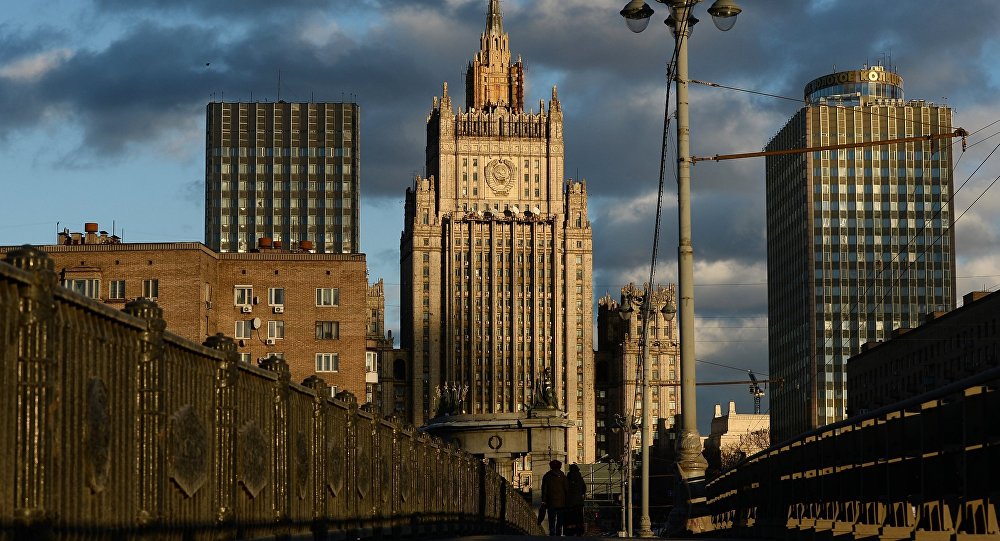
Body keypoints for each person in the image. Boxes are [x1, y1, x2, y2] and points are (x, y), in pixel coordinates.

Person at [541, 459, 568, 536]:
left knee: (551, 519)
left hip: (550, 502)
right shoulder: (563, 476)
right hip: (561, 503)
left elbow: (544, 490)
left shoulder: (547, 476)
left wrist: (544, 500)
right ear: (560, 466)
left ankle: (552, 531)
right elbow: (566, 489)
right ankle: (559, 532)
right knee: (560, 519)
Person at [564, 463, 586, 535]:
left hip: (570, 502)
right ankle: (579, 531)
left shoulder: (568, 477)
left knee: (571, 517)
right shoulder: (580, 478)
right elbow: (584, 489)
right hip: (579, 501)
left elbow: (565, 488)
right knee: (579, 517)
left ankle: (571, 531)